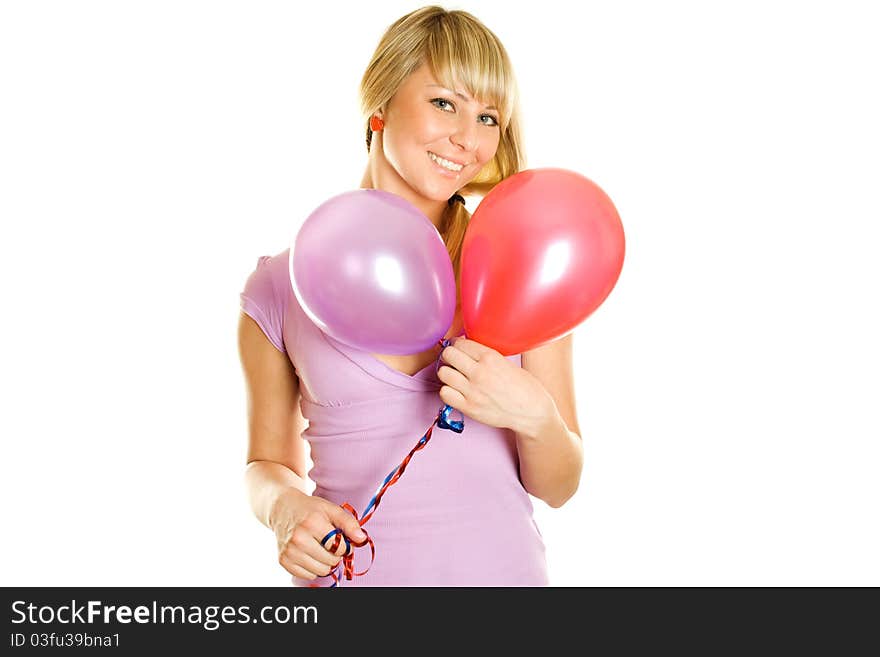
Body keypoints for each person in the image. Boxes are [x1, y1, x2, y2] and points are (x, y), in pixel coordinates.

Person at [238, 5, 583, 586]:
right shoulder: (279, 285)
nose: (467, 140)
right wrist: (283, 508)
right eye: (444, 102)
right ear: (379, 104)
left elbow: (561, 484)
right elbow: (266, 463)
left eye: (489, 117)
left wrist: (534, 417)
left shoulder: (519, 271)